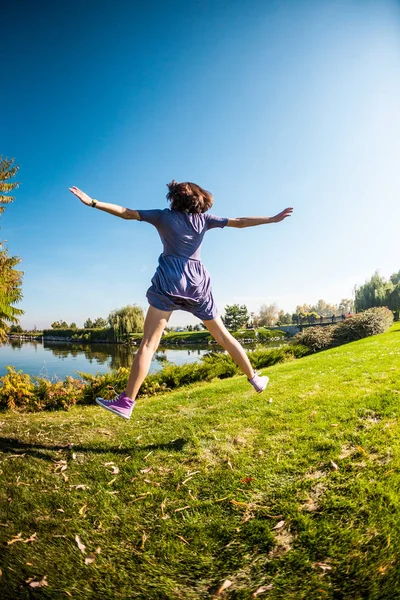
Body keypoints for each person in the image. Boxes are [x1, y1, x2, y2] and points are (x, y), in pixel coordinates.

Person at [69, 181, 293, 419]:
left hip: (169, 283)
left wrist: (93, 202)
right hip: (197, 285)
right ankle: (255, 379)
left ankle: (126, 402)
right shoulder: (204, 220)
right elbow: (240, 222)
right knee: (223, 336)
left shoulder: (164, 217)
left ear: (173, 198)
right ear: (200, 199)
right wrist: (272, 219)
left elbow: (127, 213)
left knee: (148, 344)